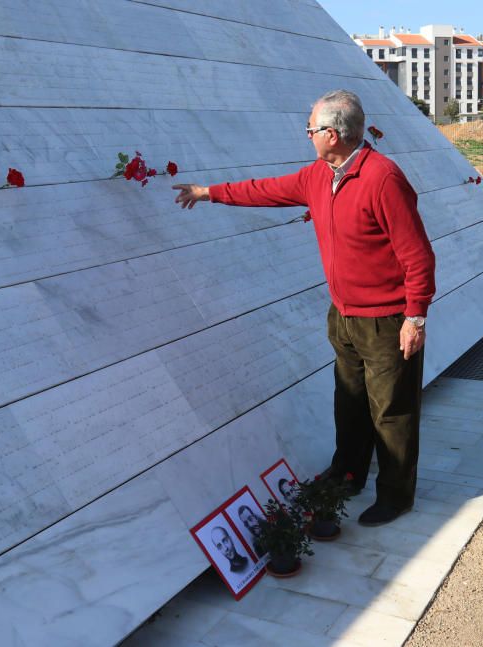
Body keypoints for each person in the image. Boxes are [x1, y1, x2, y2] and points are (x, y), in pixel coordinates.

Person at [174, 90, 435, 526]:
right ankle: (347, 474)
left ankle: (395, 495)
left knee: (392, 412)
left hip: (388, 322)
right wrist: (208, 193)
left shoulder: (383, 178)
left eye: (311, 129)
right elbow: (266, 190)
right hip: (344, 317)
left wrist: (415, 317)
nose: (307, 134)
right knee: (349, 403)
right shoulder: (320, 175)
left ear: (332, 134)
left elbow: (418, 255)